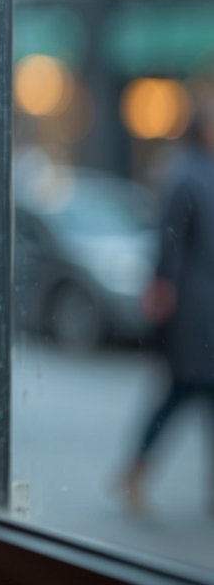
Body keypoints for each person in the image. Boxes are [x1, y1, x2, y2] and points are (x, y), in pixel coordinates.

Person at [118, 99, 214, 516]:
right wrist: (163, 290)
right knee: (181, 390)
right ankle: (134, 472)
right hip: (194, 310)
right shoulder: (186, 174)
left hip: (203, 305)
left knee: (189, 392)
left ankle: (135, 472)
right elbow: (170, 242)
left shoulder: (199, 172)